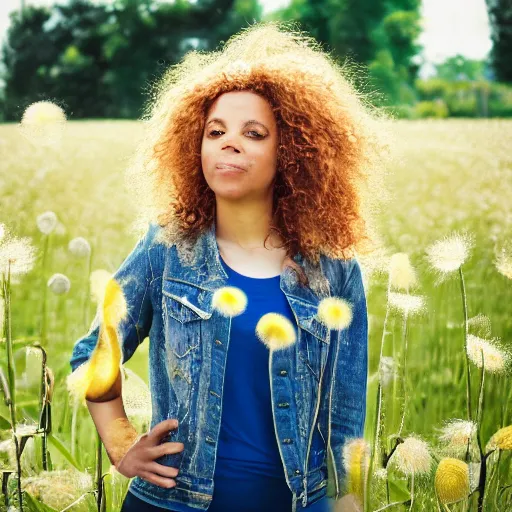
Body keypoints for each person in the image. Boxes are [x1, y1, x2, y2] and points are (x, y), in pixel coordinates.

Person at [69, 21, 388, 512]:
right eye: (215, 131)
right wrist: (120, 445)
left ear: (292, 153)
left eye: (254, 133)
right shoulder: (166, 250)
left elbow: (345, 413)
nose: (229, 142)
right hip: (172, 503)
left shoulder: (335, 271)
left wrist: (348, 500)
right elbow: (96, 352)